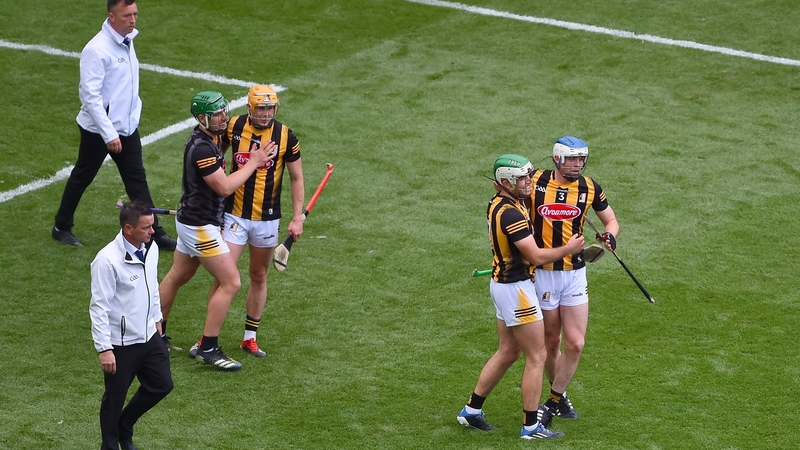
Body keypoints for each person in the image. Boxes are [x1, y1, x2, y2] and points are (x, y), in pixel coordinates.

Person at [457, 154, 584, 440]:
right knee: (537, 356)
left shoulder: (501, 203)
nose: (528, 182)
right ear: (505, 182)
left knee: (508, 352)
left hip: (504, 285)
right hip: (516, 290)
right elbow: (536, 256)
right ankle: (530, 427)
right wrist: (569, 249)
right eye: (522, 179)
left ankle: (471, 411)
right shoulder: (511, 214)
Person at [157, 91, 275, 371]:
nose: (224, 118)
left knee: (178, 275)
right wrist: (254, 161)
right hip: (200, 226)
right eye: (217, 114)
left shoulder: (210, 139)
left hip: (192, 221)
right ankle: (208, 348)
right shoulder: (202, 148)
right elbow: (224, 187)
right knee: (231, 282)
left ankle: (154, 336)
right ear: (201, 118)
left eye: (224, 111)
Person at [52, 0, 176, 251]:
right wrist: (109, 133)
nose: (133, 20)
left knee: (137, 181)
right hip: (98, 130)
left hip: (126, 128)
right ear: (112, 17)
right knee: (83, 176)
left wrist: (131, 117)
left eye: (135, 14)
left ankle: (154, 232)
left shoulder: (127, 40)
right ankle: (61, 227)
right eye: (127, 15)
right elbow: (90, 96)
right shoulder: (96, 50)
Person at [192, 84, 304, 359]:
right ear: (249, 108)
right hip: (234, 216)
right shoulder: (233, 126)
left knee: (259, 275)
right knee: (224, 277)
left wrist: (297, 217)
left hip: (267, 219)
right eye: (260, 108)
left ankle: (249, 338)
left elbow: (296, 177)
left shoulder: (286, 135)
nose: (265, 114)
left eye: (269, 108)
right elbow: (215, 158)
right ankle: (207, 338)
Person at [528, 136, 619, 427]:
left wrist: (610, 236)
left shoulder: (590, 188)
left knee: (576, 343)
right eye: (571, 159)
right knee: (552, 341)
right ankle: (560, 397)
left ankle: (553, 401)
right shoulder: (535, 181)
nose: (577, 164)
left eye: (581, 159)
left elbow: (610, 220)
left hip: (575, 274)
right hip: (543, 273)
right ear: (557, 158)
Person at [89, 200, 174, 450]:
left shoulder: (151, 247)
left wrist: (157, 318)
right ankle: (110, 445)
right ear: (128, 229)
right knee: (114, 399)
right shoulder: (106, 260)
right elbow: (99, 307)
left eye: (152, 226)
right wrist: (104, 348)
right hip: (121, 344)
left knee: (162, 385)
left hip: (149, 335)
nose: (152, 231)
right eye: (146, 227)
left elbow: (152, 286)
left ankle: (124, 426)